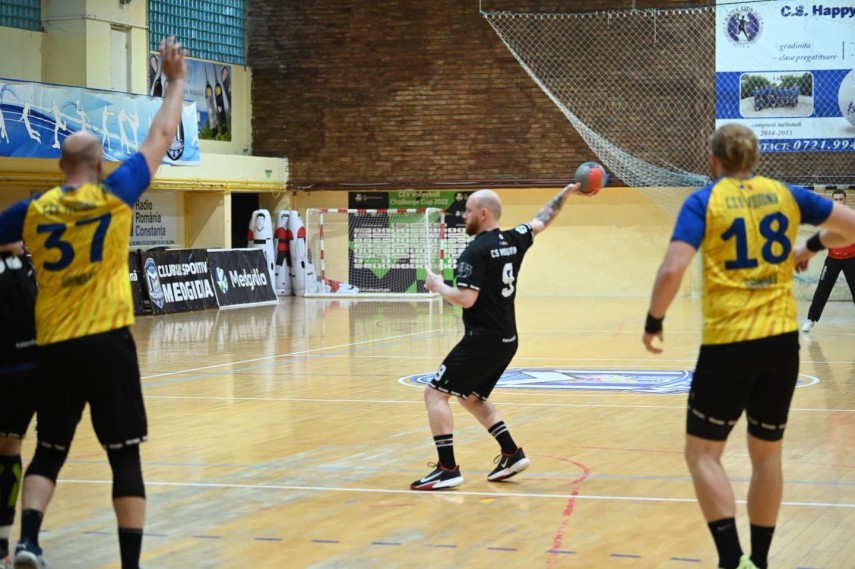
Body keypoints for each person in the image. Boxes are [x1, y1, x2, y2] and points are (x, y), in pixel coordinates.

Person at [0, 36, 188, 569]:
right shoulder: (116, 194)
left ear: (60, 164)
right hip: (108, 343)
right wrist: (175, 81)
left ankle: (28, 542)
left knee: (48, 452)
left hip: (55, 346)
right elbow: (161, 134)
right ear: (100, 162)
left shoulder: (33, 211)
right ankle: (129, 565)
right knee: (124, 457)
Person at [642, 123, 855, 569]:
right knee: (767, 456)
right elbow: (850, 228)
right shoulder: (786, 194)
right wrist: (810, 245)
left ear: (713, 160)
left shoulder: (704, 200)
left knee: (702, 454)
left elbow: (672, 269)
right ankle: (758, 561)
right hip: (781, 344)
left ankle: (730, 559)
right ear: (755, 159)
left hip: (729, 344)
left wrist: (654, 320)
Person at [412, 182, 597, 491]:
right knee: (470, 396)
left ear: (484, 213)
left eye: (468, 210)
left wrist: (438, 286)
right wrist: (565, 194)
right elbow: (542, 219)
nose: (464, 216)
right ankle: (511, 453)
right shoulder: (514, 239)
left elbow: (466, 299)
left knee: (435, 394)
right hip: (507, 339)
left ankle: (447, 469)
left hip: (482, 340)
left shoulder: (474, 251)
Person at [0, 242, 38, 569]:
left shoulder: (24, 269)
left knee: (9, 448)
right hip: (26, 371)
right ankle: (2, 544)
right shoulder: (26, 269)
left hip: (19, 370)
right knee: (9, 448)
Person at [801, 188, 855, 331]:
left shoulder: (851, 216)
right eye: (835, 199)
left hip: (852, 259)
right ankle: (811, 319)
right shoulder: (828, 218)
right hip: (833, 259)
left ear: (845, 200)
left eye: (841, 199)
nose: (838, 202)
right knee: (822, 289)